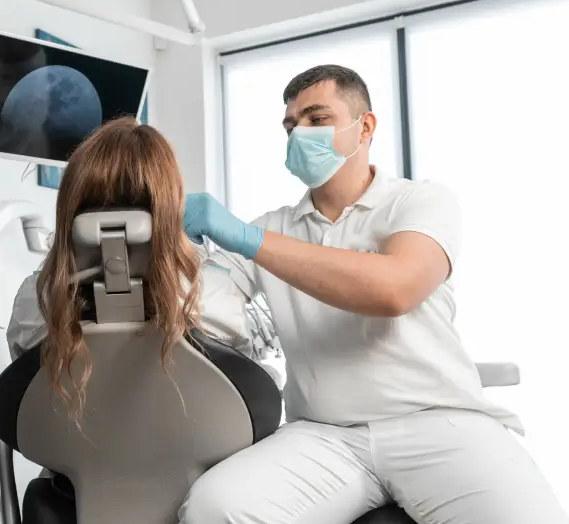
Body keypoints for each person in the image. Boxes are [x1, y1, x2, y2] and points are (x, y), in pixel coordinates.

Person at [179, 64, 567, 523]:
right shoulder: (272, 228)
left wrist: (246, 240)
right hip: (325, 435)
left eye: (316, 119)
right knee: (216, 507)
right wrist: (176, 251)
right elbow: (203, 309)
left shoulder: (418, 203)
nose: (299, 133)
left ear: (365, 126)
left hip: (436, 422)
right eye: (290, 125)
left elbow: (395, 289)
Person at [6, 115, 257, 409]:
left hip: (75, 452)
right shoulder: (211, 295)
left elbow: (26, 390)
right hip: (194, 450)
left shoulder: (37, 300)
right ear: (170, 208)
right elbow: (240, 385)